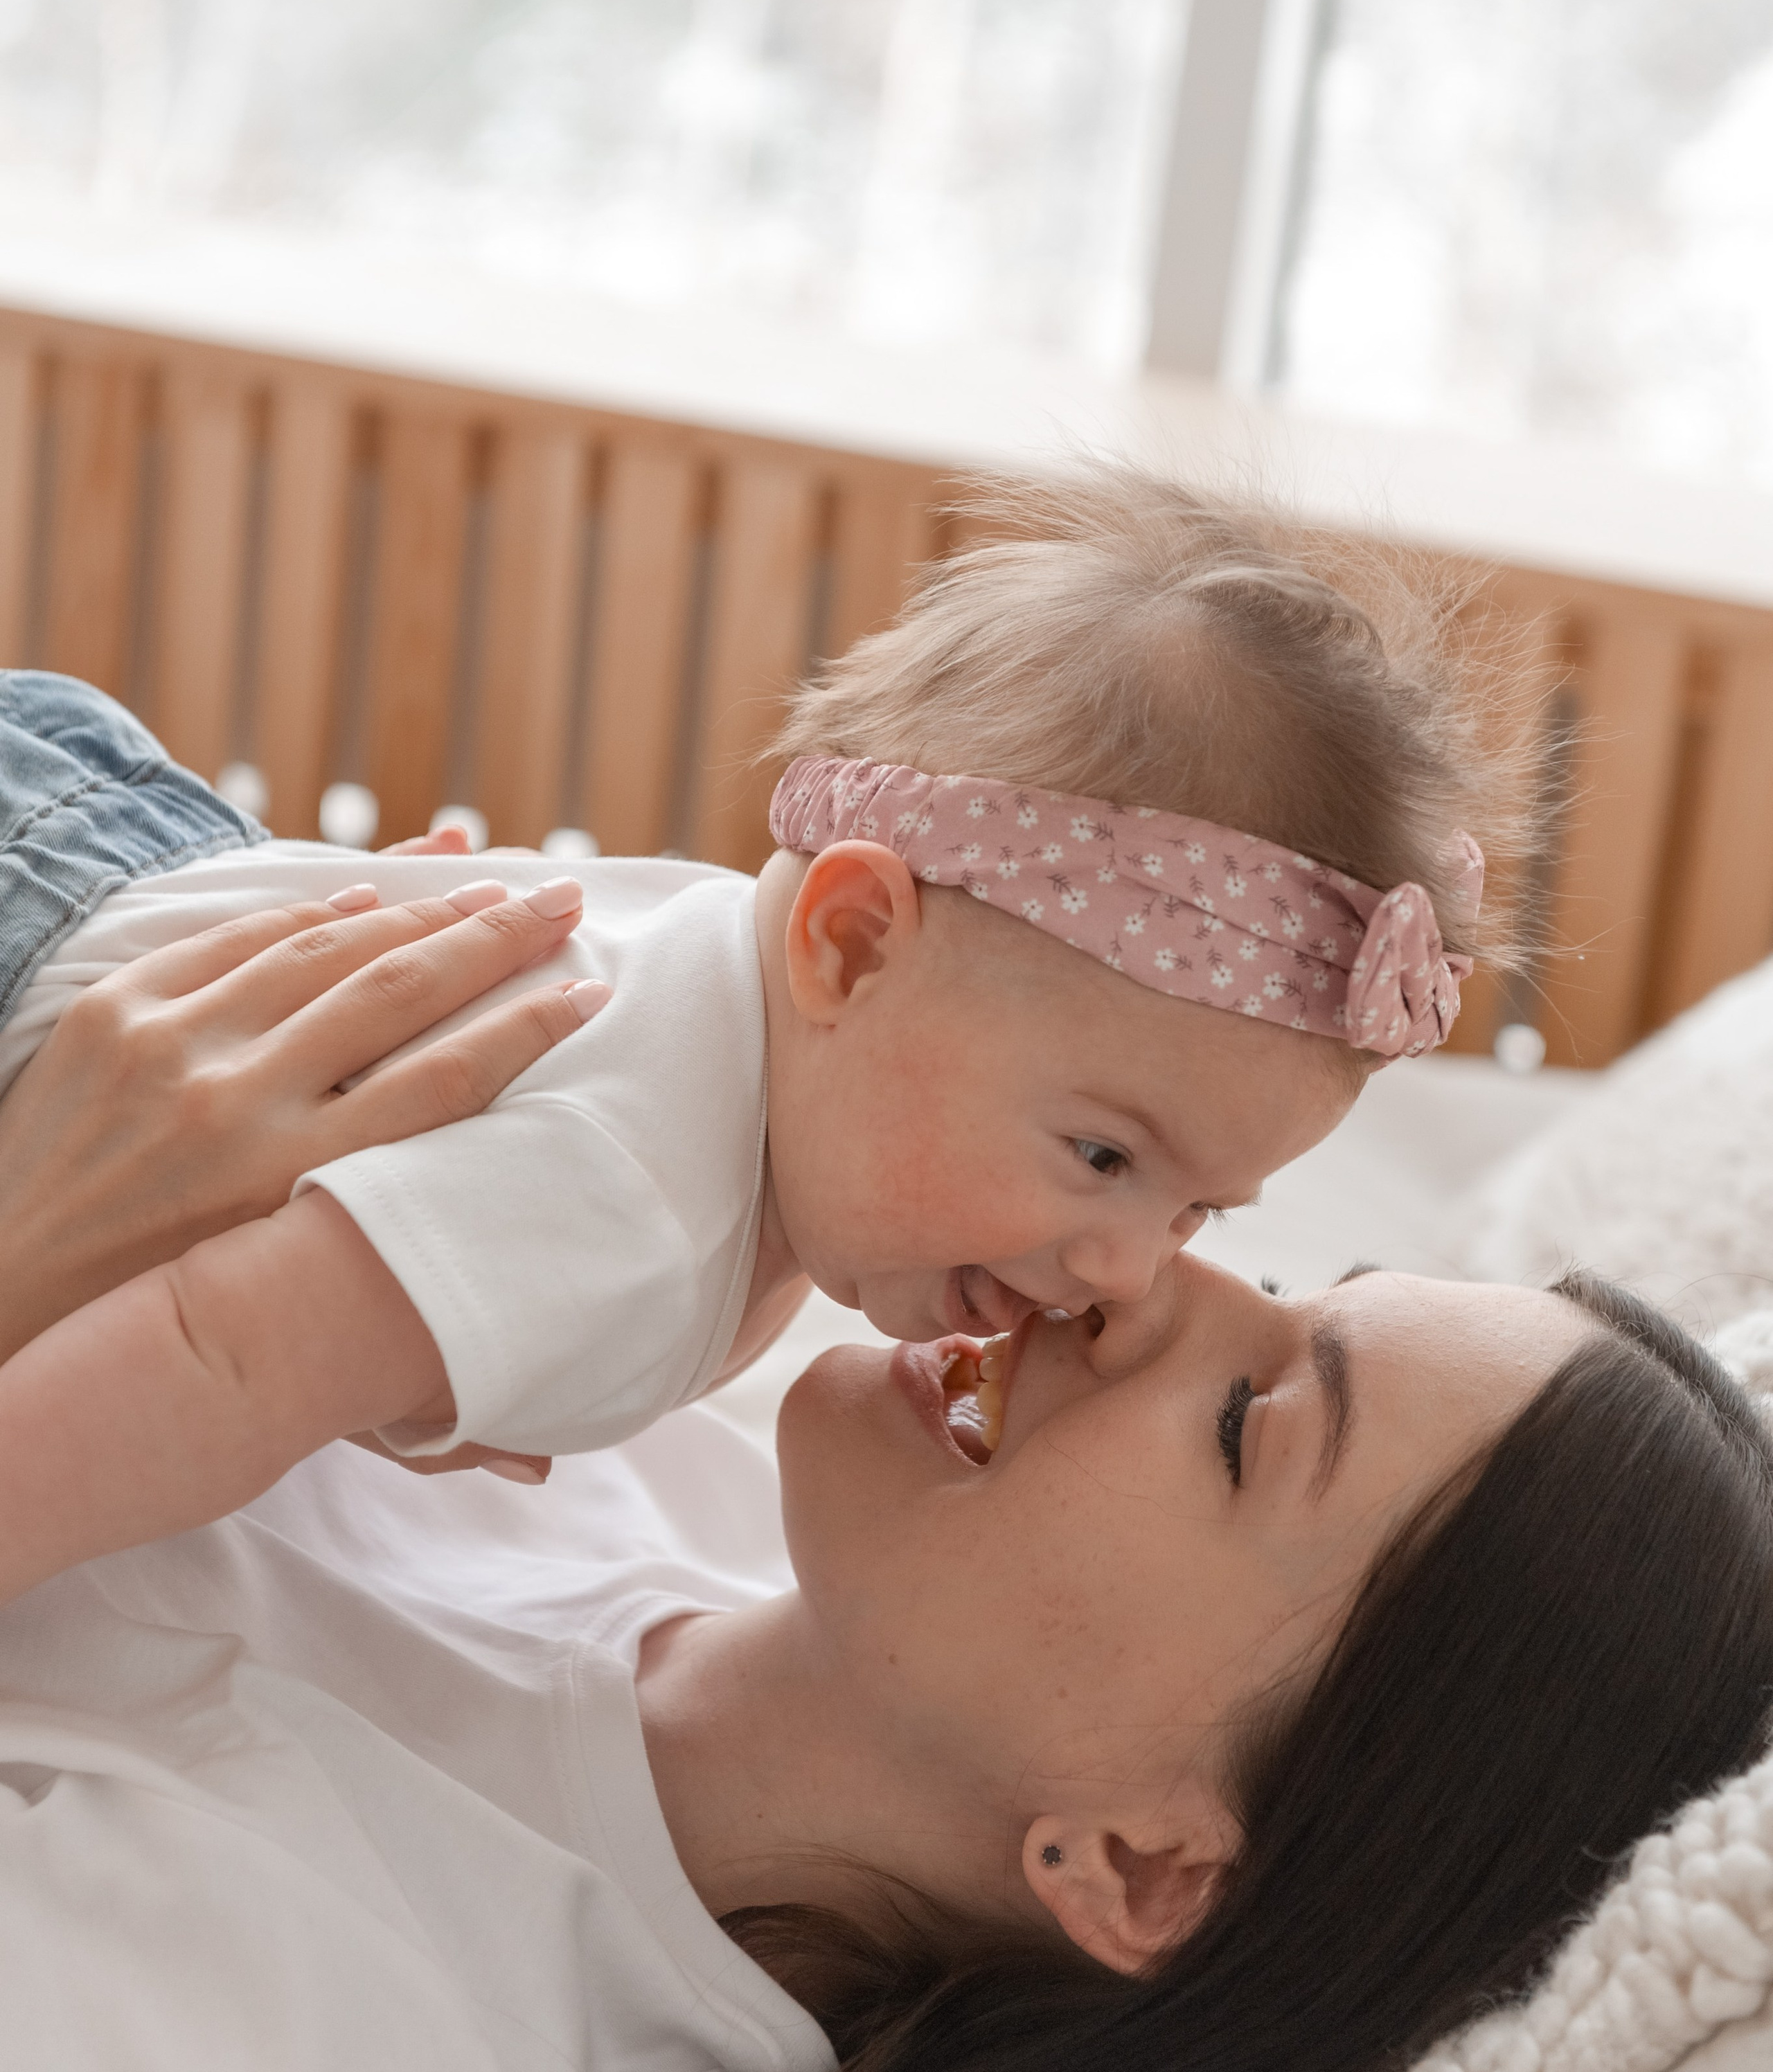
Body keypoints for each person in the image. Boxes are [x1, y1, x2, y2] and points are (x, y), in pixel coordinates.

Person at [0, 476, 1532, 1594]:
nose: (1129, 1269)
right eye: (1100, 1152)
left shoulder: (743, 1039)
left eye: (1195, 1205)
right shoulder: (636, 1204)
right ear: (849, 943)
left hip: (106, 825)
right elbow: (213, 1354)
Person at [0, 1240, 1765, 2072]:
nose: (1144, 1272)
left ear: (1144, 1866)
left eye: (1248, 1424)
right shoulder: (669, 1385)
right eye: (1292, 1277)